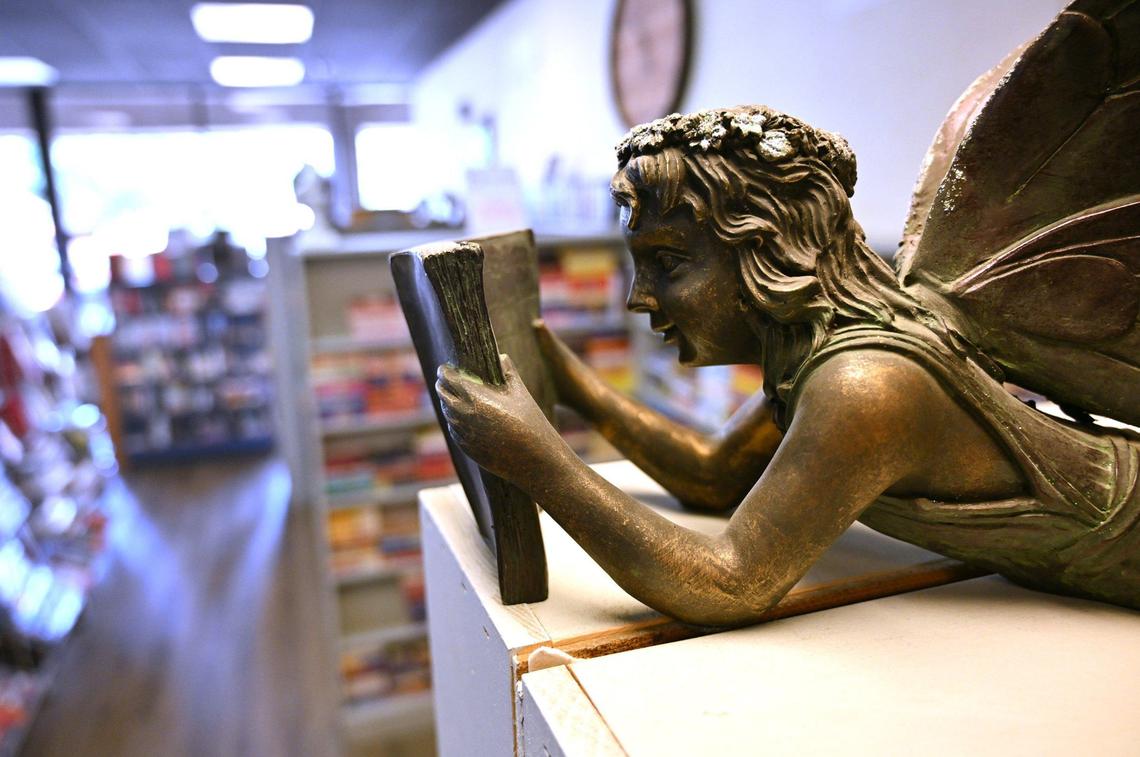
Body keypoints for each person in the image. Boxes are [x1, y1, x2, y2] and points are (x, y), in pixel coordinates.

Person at [436, 99, 1138, 625]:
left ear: (765, 250)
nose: (639, 299)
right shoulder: (813, 354)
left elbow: (731, 580)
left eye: (669, 264)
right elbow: (713, 478)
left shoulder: (864, 386)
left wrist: (536, 459)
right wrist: (573, 387)